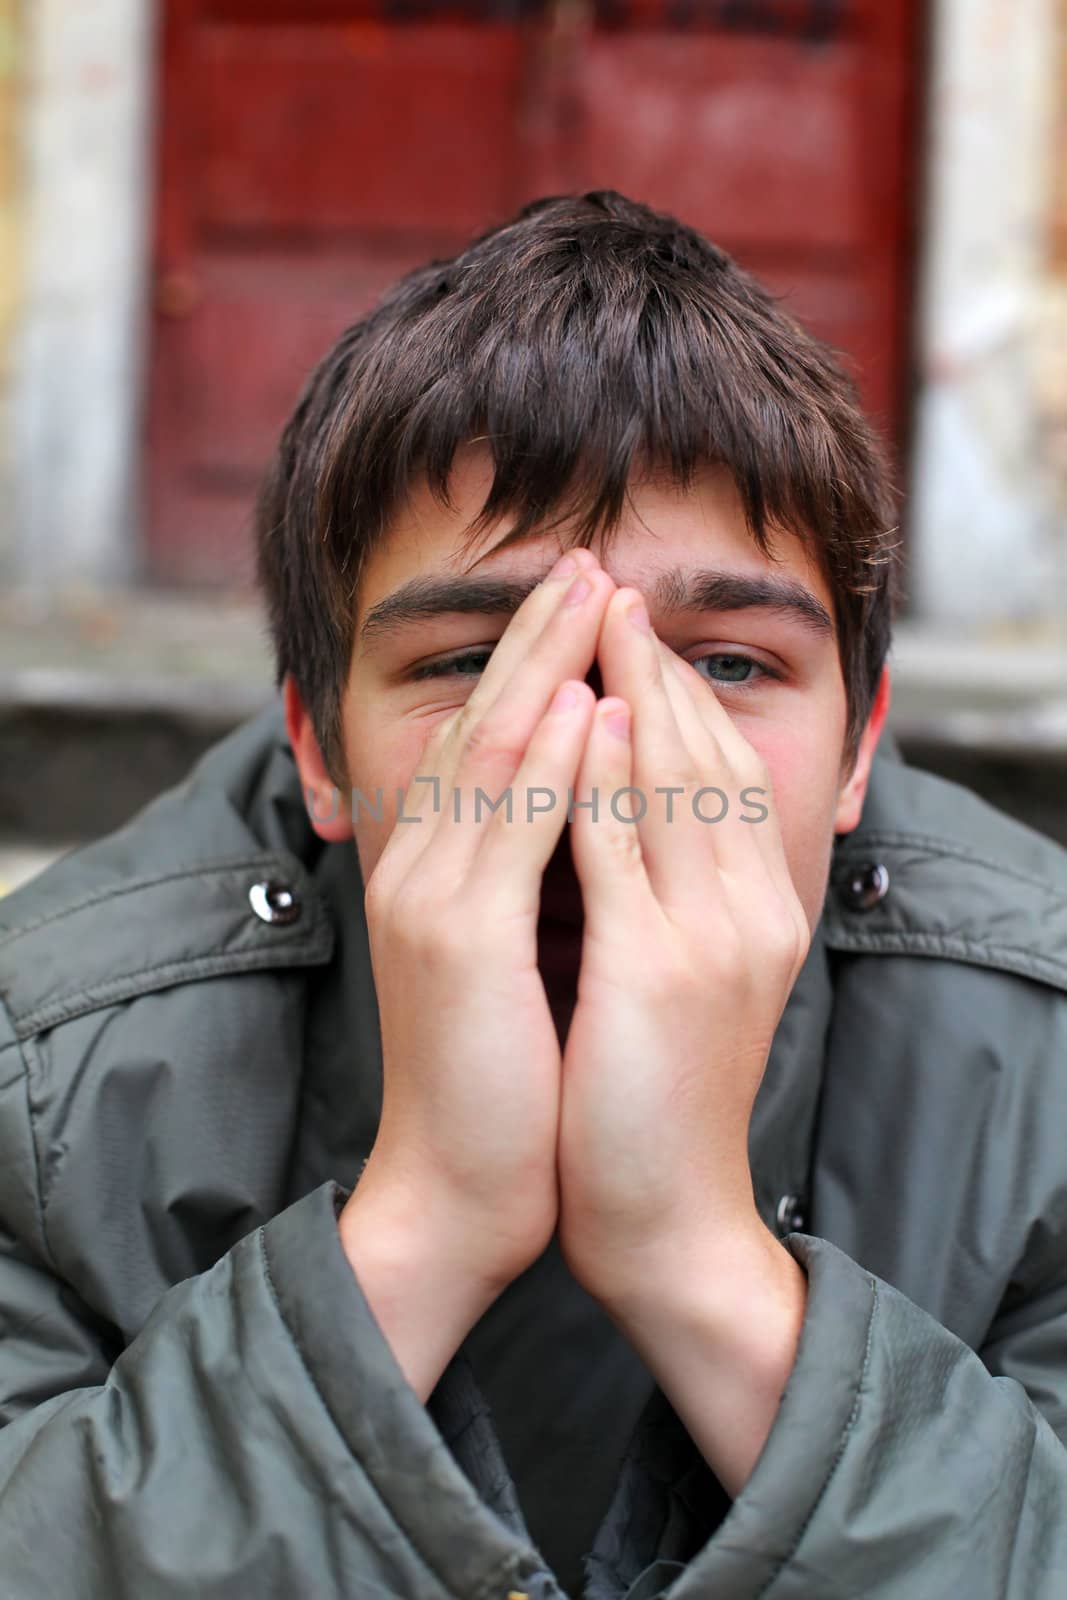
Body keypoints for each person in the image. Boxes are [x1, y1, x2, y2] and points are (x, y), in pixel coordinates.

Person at [2, 190, 1067, 1600]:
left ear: (861, 744)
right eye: (467, 668)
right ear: (316, 747)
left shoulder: (1042, 1066)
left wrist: (696, 1255)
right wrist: (428, 1221)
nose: (596, 762)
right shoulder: (45, 1084)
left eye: (729, 666)